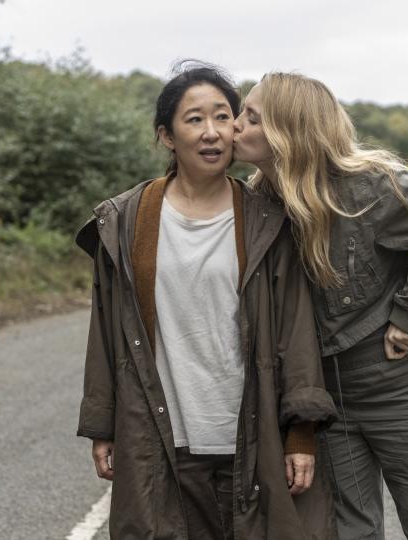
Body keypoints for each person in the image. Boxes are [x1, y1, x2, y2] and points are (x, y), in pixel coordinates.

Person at [75, 62, 338, 540]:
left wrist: (301, 432)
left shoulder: (267, 220)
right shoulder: (126, 221)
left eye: (223, 116)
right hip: (161, 436)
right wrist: (102, 424)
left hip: (251, 437)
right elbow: (106, 329)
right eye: (194, 119)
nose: (212, 132)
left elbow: (294, 330)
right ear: (166, 137)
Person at [233, 72, 408, 540]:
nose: (234, 126)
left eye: (251, 117)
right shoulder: (257, 205)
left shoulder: (370, 186)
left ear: (289, 132)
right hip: (327, 398)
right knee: (349, 529)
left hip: (399, 384)